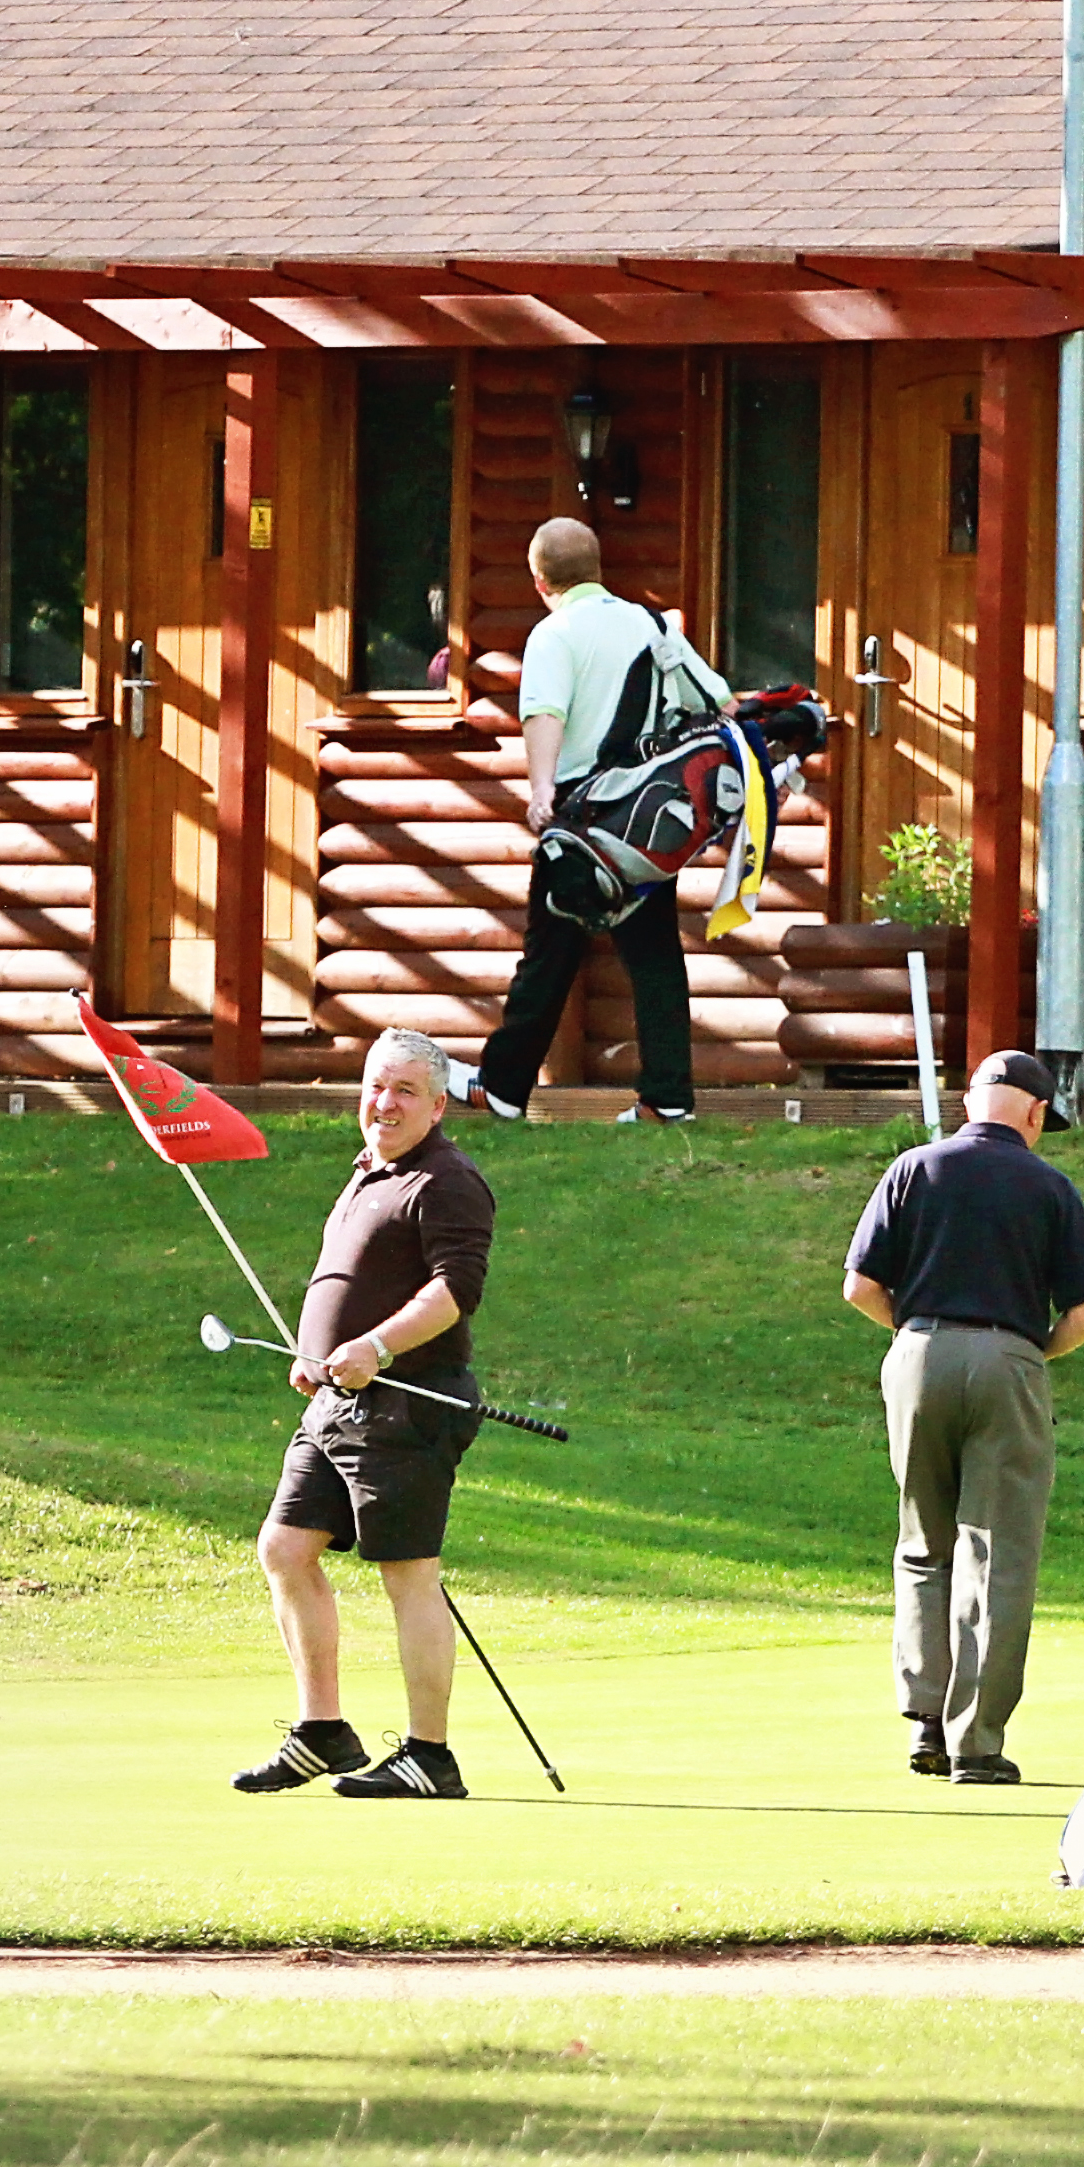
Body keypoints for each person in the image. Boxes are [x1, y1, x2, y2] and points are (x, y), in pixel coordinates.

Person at [233, 1027, 501, 1800]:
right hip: (336, 1402)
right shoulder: (366, 1171)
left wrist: (375, 1348)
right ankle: (323, 1732)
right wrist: (316, 1350)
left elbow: (455, 1292)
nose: (384, 1103)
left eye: (404, 1091)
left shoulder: (446, 1181)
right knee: (284, 1548)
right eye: (375, 1087)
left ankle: (430, 1756)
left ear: (438, 1104)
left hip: (408, 1406)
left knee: (408, 1574)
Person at [842, 1048, 1084, 1785]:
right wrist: (1032, 1355)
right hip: (1008, 1358)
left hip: (919, 1352)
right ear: (1035, 1112)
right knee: (997, 1554)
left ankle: (924, 1719)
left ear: (969, 1102)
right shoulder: (1050, 1186)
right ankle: (975, 1743)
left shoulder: (914, 1168)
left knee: (923, 1542)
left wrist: (914, 1335)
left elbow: (859, 1287)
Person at [469, 517, 702, 1124]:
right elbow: (715, 698)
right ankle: (668, 1098)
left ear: (538, 578)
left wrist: (541, 789)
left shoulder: (554, 633)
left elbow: (544, 712)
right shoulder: (653, 625)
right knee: (654, 955)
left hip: (580, 817)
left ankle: (501, 1087)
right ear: (597, 569)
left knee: (550, 953)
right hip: (644, 819)